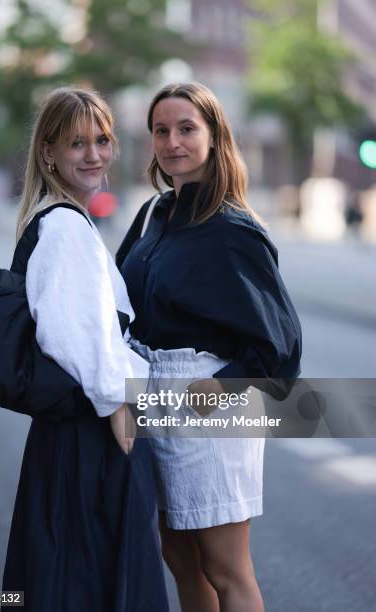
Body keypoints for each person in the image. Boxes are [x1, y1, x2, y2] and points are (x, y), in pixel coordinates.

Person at [117, 83, 302, 612]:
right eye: (161, 130)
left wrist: (220, 389)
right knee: (178, 556)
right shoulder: (155, 215)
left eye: (186, 128)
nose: (172, 141)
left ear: (215, 136)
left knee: (226, 568)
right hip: (152, 397)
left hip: (208, 404)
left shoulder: (231, 227)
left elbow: (282, 344)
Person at [1, 87, 169, 612]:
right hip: (93, 432)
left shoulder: (60, 218)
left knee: (66, 573)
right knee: (96, 577)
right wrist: (119, 405)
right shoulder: (64, 227)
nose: (95, 154)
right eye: (78, 143)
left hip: (77, 432)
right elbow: (73, 334)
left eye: (103, 140)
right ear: (49, 152)